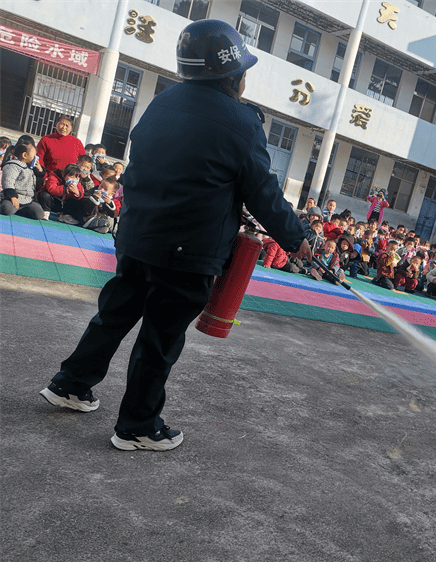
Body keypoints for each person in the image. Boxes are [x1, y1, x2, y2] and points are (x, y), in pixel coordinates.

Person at [39, 20, 312, 452]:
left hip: (138, 237)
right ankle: (137, 426)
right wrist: (295, 237)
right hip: (188, 251)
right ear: (233, 74)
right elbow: (262, 190)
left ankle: (70, 384)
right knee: (160, 338)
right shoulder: (241, 121)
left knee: (113, 315)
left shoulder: (162, 102)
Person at [0, 141, 45, 220]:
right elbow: (8, 182)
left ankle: (19, 209)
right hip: (13, 197)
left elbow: (36, 182)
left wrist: (39, 171)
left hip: (27, 200)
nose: (36, 157)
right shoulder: (12, 165)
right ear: (24, 155)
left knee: (39, 214)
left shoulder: (30, 168)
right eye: (34, 155)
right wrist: (13, 197)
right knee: (6, 209)